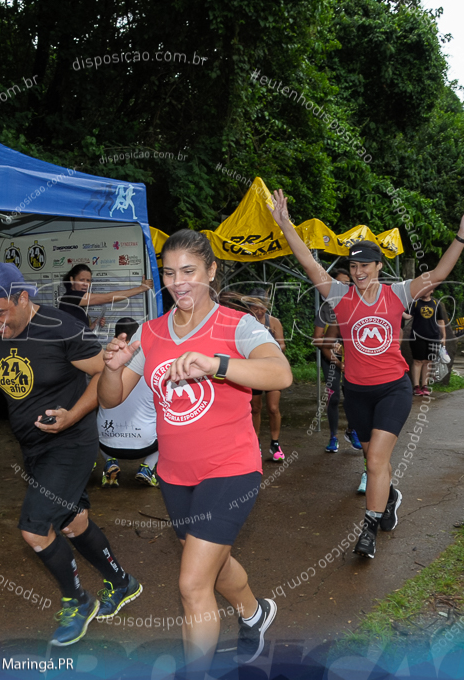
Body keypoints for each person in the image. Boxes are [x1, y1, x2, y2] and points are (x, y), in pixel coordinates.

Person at [98, 229, 293, 673]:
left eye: (189, 271)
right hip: (175, 476)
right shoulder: (150, 333)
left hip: (231, 469)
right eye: (169, 273)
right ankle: (255, 613)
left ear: (210, 271)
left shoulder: (236, 325)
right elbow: (112, 398)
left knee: (191, 584)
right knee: (213, 564)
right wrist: (113, 368)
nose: (179, 282)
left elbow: (280, 373)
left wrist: (216, 364)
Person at [272, 188, 464, 558]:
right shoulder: (339, 295)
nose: (358, 272)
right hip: (356, 391)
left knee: (375, 459)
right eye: (354, 266)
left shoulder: (399, 294)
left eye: (365, 266)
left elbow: (438, 273)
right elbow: (309, 263)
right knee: (372, 458)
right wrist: (285, 224)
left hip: (393, 388)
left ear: (378, 266)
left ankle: (368, 530)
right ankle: (389, 495)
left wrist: (461, 237)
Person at [0, 262, 140, 647]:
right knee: (72, 522)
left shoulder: (61, 328)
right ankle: (121, 581)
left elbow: (104, 373)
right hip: (32, 446)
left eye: (0, 312)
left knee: (34, 528)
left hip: (72, 442)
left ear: (23, 298)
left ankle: (78, 601)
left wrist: (72, 416)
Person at [313, 269, 367, 493]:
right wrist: (336, 359)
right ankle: (334, 437)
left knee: (355, 399)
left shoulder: (357, 304)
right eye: (340, 283)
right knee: (334, 397)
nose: (345, 286)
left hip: (352, 359)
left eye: (348, 283)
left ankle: (352, 430)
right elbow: (319, 340)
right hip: (332, 360)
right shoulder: (326, 308)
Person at [99, 318, 160, 488]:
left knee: (98, 420)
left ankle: (110, 462)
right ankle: (147, 467)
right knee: (169, 421)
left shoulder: (103, 368)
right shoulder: (151, 370)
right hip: (145, 446)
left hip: (107, 445)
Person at [244, 290, 288, 462]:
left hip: (272, 370)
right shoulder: (245, 323)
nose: (260, 312)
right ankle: (256, 443)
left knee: (273, 408)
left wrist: (271, 347)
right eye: (256, 308)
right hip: (254, 370)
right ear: (249, 307)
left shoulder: (274, 322)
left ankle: (275, 443)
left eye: (263, 308)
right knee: (255, 408)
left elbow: (283, 345)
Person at [59, 264, 153, 331]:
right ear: (71, 280)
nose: (85, 284)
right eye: (81, 280)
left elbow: (77, 329)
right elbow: (108, 298)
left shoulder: (75, 298)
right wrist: (141, 289)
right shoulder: (71, 297)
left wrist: (93, 326)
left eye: (88, 280)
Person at [408, 288, 448, 396]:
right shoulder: (415, 303)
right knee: (418, 361)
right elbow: (408, 316)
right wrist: (396, 310)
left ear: (432, 291)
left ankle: (424, 385)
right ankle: (416, 386)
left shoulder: (436, 303)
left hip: (433, 336)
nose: (425, 291)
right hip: (417, 336)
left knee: (428, 361)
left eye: (428, 290)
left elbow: (440, 320)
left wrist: (443, 336)